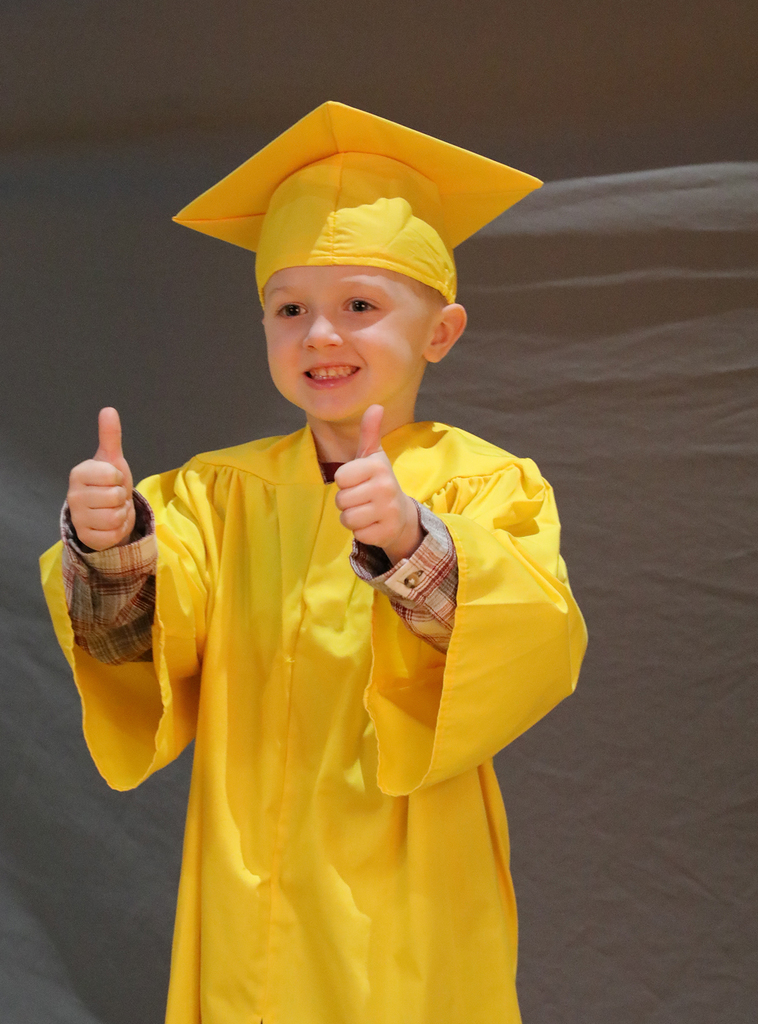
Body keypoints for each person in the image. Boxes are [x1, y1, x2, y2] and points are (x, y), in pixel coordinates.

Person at [40, 101, 587, 1024]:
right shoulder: (218, 496)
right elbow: (139, 632)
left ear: (441, 333)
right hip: (246, 876)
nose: (320, 336)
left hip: (409, 891)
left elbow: (536, 639)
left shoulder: (485, 486)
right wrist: (107, 541)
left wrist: (414, 543)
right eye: (289, 308)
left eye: (360, 307)